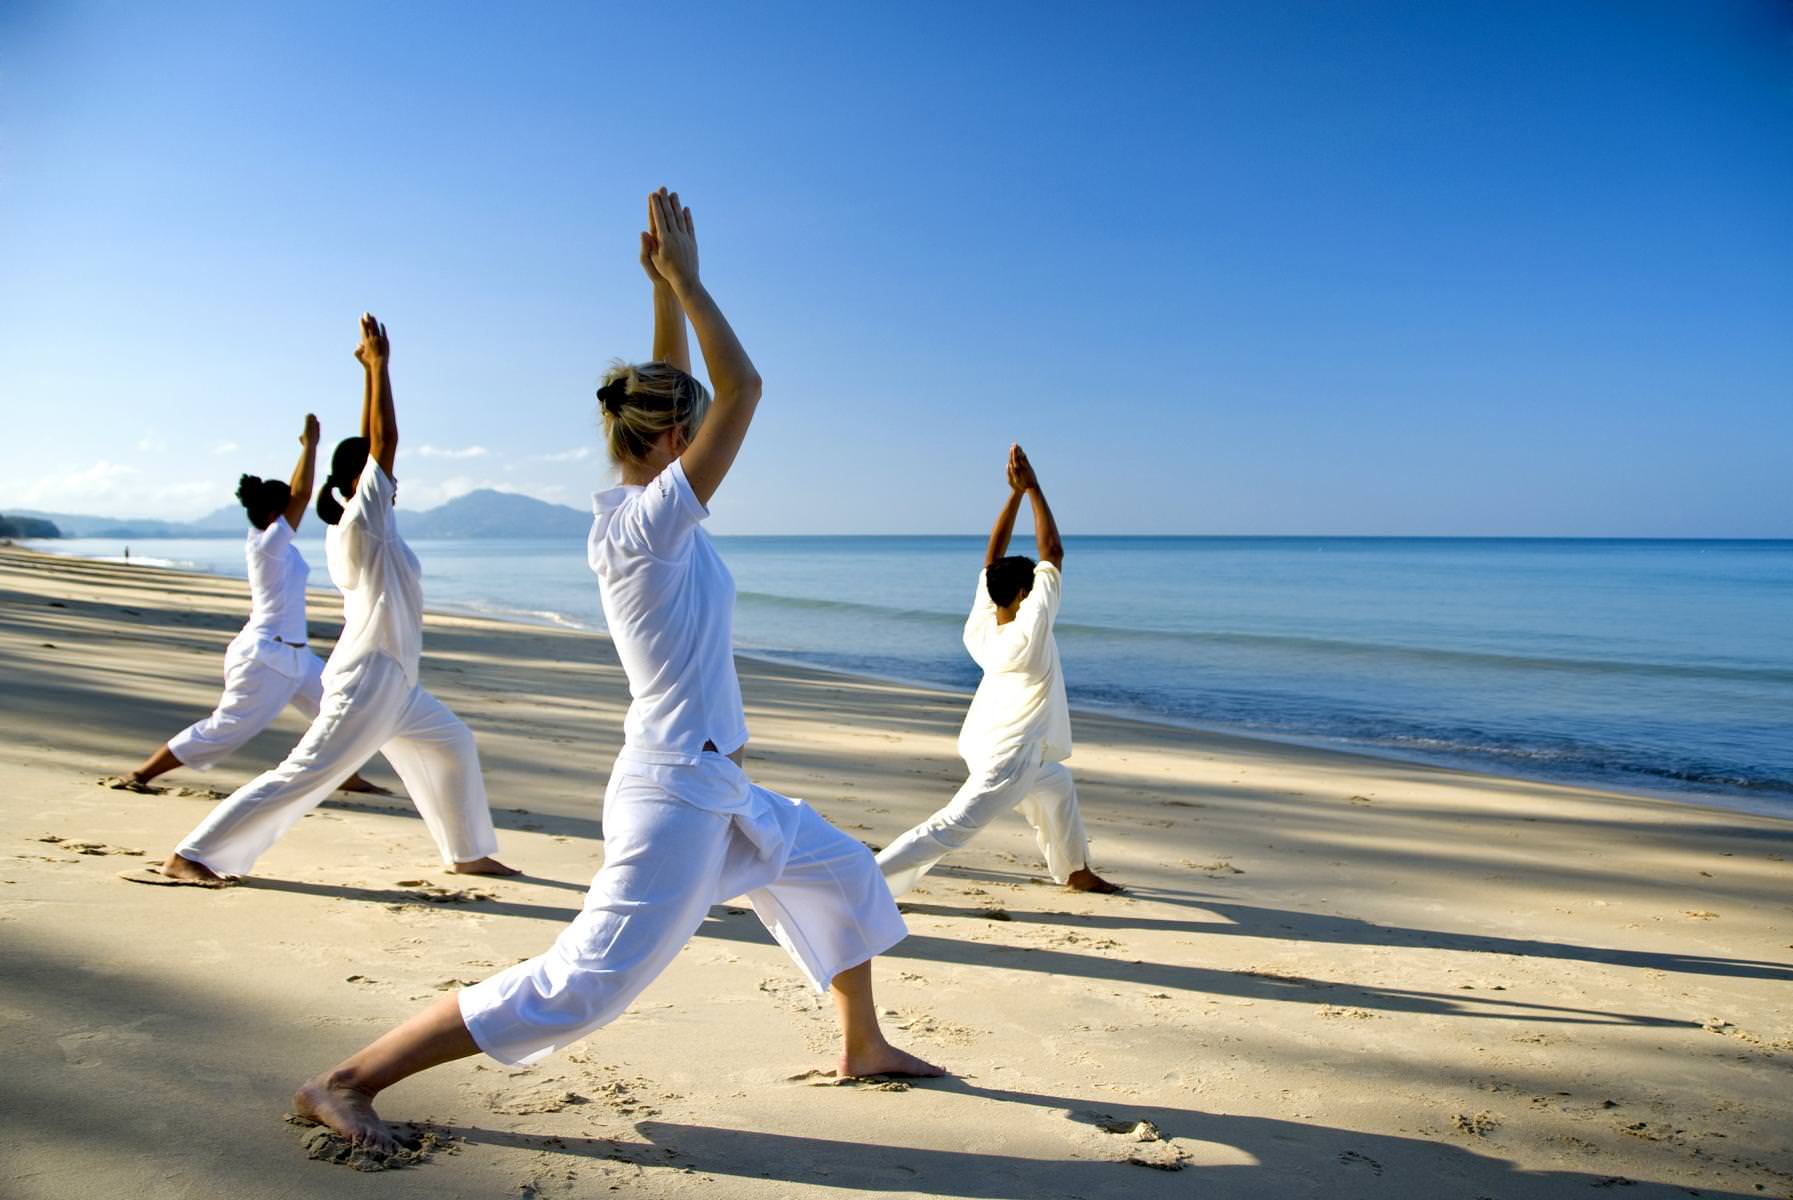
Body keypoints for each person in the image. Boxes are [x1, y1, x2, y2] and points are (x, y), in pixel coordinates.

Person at [293, 188, 939, 1153]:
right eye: (693, 428)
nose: (708, 434)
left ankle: (862, 1046)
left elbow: (678, 387)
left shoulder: (643, 515)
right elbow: (744, 389)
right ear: (675, 445)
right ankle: (345, 1080)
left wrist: (662, 299)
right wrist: (688, 275)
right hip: (675, 791)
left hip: (712, 778)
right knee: (584, 983)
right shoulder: (646, 527)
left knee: (841, 872)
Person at [135, 315, 514, 886]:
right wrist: (382, 368)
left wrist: (365, 373)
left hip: (394, 678)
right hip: (368, 681)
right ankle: (193, 854)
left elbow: (369, 446)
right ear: (364, 484)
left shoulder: (360, 526)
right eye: (381, 474)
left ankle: (466, 851)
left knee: (452, 741)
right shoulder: (367, 521)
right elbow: (383, 443)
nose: (394, 477)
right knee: (305, 773)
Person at [876, 444, 1121, 895]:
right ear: (1027, 595)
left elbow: (992, 560)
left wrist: (1012, 495)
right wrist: (1034, 488)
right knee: (951, 826)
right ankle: (866, 881)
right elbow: (1054, 552)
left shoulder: (982, 626)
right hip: (1008, 760)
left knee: (1058, 786)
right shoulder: (1031, 633)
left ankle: (1075, 870)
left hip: (984, 742)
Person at [111, 415, 388, 797]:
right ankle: (142, 773)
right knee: (227, 728)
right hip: (265, 659)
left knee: (344, 708)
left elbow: (295, 496)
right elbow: (302, 494)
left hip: (297, 657)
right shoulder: (266, 546)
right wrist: (309, 447)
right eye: (288, 508)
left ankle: (345, 774)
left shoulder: (278, 548)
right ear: (275, 516)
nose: (297, 510)